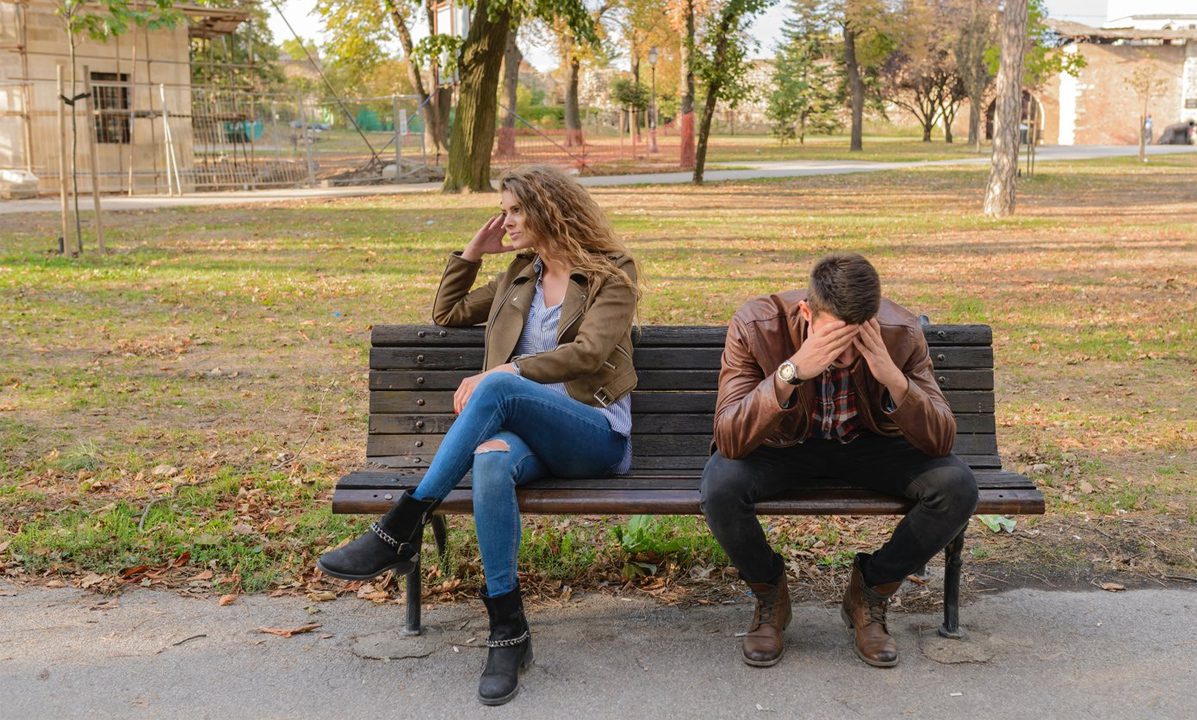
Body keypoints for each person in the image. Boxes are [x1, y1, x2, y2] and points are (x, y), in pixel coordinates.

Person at [317, 165, 641, 705]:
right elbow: (446, 313)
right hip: (525, 435)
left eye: (515, 210)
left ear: (547, 210)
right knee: (490, 460)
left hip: (594, 433)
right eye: (505, 211)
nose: (505, 220)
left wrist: (505, 372)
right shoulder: (519, 276)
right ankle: (508, 632)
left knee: (498, 387)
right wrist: (472, 252)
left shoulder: (612, 272)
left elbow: (589, 354)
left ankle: (403, 523)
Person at [700, 253, 976, 669]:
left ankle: (871, 590)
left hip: (868, 445)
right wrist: (790, 373)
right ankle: (770, 593)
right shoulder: (757, 324)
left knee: (957, 487)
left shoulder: (899, 332)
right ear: (808, 312)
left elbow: (940, 440)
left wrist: (891, 376)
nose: (844, 356)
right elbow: (730, 439)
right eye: (833, 339)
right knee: (720, 486)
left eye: (856, 340)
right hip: (784, 447)